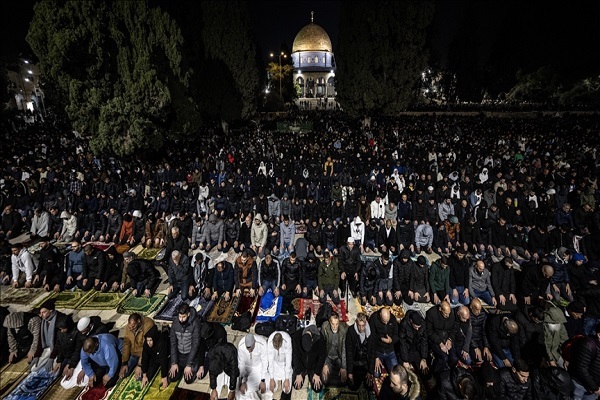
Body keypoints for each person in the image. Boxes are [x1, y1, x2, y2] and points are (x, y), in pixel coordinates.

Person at [62, 316, 108, 389]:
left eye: (84, 331)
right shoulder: (82, 333)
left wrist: (85, 370)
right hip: (85, 357)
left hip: (97, 358)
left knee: (87, 381)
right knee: (65, 383)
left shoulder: (100, 330)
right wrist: (71, 366)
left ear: (90, 325)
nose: (82, 333)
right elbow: (78, 349)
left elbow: (97, 352)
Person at [169, 303, 202, 384]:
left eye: (183, 317)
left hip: (191, 355)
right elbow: (173, 343)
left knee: (188, 380)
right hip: (180, 354)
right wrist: (174, 362)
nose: (181, 319)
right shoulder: (175, 323)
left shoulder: (195, 323)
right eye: (180, 317)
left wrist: (189, 365)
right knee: (172, 378)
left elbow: (195, 345)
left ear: (188, 314)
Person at [569, 322, 600, 399]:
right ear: (599, 335)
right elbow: (582, 369)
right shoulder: (588, 344)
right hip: (580, 384)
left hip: (594, 387)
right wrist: (595, 388)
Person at [292, 325, 327, 392]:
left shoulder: (320, 339)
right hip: (301, 365)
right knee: (296, 386)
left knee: (318, 388)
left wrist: (317, 373)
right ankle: (304, 373)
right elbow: (295, 356)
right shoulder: (296, 337)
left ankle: (310, 373)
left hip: (313, 366)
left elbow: (322, 357)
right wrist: (299, 372)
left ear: (312, 339)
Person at [120, 313, 155, 379]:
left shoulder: (148, 325)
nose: (131, 328)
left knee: (139, 377)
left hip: (146, 354)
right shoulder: (129, 327)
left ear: (139, 321)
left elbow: (147, 347)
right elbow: (126, 344)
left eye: (133, 326)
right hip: (134, 354)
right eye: (130, 326)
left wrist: (139, 365)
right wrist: (124, 362)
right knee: (123, 374)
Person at [38, 299, 69, 373]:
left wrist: (52, 357)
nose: (41, 315)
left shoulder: (59, 320)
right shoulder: (43, 321)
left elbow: (59, 342)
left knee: (54, 370)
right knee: (34, 368)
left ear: (51, 311)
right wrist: (36, 355)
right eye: (40, 313)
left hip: (57, 350)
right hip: (48, 347)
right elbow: (40, 338)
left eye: (44, 312)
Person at [425, 301, 455, 374]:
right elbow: (429, 331)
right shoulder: (431, 314)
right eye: (445, 314)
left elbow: (453, 329)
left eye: (449, 313)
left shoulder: (450, 313)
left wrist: (450, 339)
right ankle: (435, 373)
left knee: (454, 358)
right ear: (440, 309)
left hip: (447, 337)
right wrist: (440, 343)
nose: (448, 316)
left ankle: (448, 371)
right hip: (435, 338)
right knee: (444, 358)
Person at [237, 334, 269, 400]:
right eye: (247, 348)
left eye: (250, 348)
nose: (249, 351)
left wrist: (262, 380)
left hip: (259, 367)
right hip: (247, 369)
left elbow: (265, 362)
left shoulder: (262, 344)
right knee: (243, 392)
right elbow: (241, 364)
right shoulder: (241, 345)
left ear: (254, 342)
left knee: (268, 387)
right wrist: (243, 381)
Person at [345, 312, 372, 390]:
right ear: (356, 323)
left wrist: (370, 371)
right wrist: (350, 372)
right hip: (355, 363)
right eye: (359, 325)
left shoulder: (370, 332)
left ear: (366, 323)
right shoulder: (351, 331)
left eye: (363, 326)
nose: (361, 328)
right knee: (352, 387)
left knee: (369, 387)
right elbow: (349, 353)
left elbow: (372, 352)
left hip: (365, 363)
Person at [369, 307, 399, 377]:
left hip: (390, 350)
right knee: (376, 374)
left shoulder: (392, 318)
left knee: (396, 374)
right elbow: (371, 338)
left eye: (387, 321)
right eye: (384, 321)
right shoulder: (374, 318)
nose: (386, 323)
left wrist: (391, 340)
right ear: (380, 315)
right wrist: (376, 357)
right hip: (378, 350)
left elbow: (396, 335)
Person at [397, 310, 429, 375]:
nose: (417, 329)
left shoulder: (423, 324)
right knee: (404, 372)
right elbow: (402, 342)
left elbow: (424, 341)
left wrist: (423, 358)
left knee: (425, 373)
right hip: (406, 349)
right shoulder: (404, 324)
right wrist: (405, 360)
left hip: (417, 349)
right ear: (411, 321)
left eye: (418, 327)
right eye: (415, 327)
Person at [321, 312, 348, 386]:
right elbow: (322, 347)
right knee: (324, 380)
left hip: (338, 357)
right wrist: (325, 364)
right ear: (329, 322)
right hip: (328, 357)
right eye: (333, 324)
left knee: (345, 380)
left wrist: (343, 367)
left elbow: (344, 350)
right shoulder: (324, 327)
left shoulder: (344, 330)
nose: (335, 327)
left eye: (337, 324)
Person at [140, 325, 170, 389]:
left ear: (154, 339)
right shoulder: (146, 343)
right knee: (147, 376)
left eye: (150, 340)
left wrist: (164, 376)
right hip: (154, 357)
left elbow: (163, 359)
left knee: (170, 377)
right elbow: (145, 358)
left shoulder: (161, 342)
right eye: (147, 340)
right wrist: (144, 375)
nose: (149, 343)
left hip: (166, 356)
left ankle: (166, 331)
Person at [267, 331, 293, 400]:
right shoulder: (270, 341)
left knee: (287, 390)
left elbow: (288, 360)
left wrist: (287, 379)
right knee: (271, 389)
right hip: (275, 364)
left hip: (284, 364)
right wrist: (271, 378)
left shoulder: (287, 340)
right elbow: (270, 360)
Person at [468, 298, 491, 364]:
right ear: (471, 307)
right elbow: (467, 332)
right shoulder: (468, 314)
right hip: (471, 339)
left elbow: (484, 330)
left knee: (486, 356)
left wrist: (486, 346)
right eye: (476, 310)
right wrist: (475, 347)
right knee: (477, 358)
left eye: (480, 309)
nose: (478, 312)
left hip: (480, 337)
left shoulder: (483, 314)